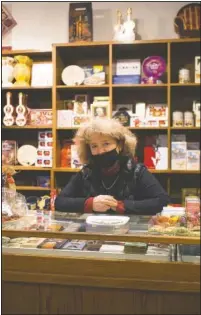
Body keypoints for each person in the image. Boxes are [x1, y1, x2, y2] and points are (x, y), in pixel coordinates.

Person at [55, 118, 170, 215]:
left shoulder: (136, 171)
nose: (100, 151)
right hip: (94, 233)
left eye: (106, 144)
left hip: (129, 234)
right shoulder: (86, 172)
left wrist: (121, 206)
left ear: (119, 145)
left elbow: (162, 201)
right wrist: (90, 203)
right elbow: (59, 202)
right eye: (94, 146)